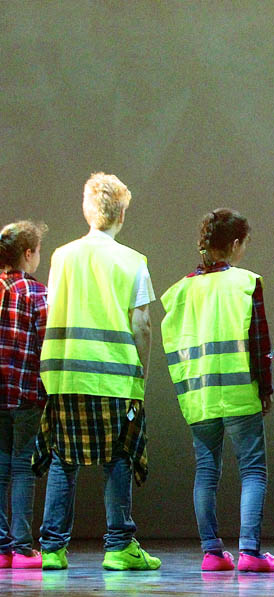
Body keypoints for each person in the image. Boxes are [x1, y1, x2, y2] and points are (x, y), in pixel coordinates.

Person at [36, 172, 160, 571]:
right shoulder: (133, 260)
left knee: (63, 458)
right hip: (114, 377)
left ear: (86, 210)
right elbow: (142, 324)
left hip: (64, 375)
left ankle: (52, 549)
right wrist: (141, 376)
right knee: (118, 457)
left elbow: (52, 309)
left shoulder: (61, 256)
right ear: (121, 214)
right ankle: (119, 547)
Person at [160, 209, 274, 572]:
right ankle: (250, 553)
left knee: (206, 470)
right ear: (235, 244)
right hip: (240, 393)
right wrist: (265, 389)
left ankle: (212, 553)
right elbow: (259, 342)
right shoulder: (245, 282)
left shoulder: (179, 290)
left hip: (198, 396)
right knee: (253, 471)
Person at [0, 221, 48, 569]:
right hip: (26, 392)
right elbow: (47, 345)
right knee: (22, 467)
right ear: (28, 254)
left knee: (0, 466)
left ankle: (2, 549)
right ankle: (21, 548)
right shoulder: (36, 293)